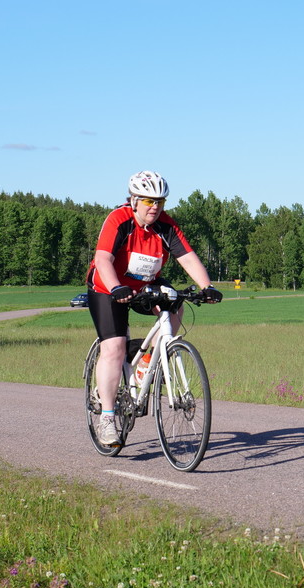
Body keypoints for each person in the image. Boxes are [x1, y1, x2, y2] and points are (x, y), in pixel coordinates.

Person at [86, 171, 222, 447]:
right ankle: (108, 419)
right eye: (149, 201)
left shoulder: (166, 226)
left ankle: (147, 363)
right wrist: (115, 288)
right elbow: (103, 258)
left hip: (144, 284)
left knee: (176, 301)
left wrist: (207, 286)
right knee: (113, 347)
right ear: (134, 200)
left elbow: (187, 257)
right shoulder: (119, 220)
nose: (155, 207)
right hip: (107, 287)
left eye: (160, 201)